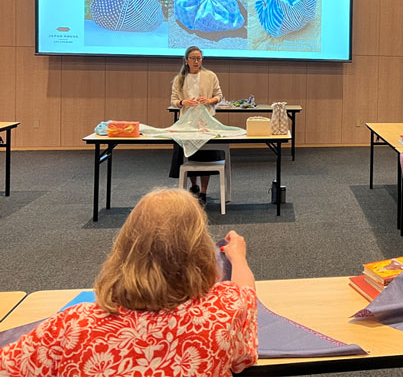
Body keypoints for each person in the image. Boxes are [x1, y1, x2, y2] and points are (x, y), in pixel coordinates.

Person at [0, 188, 258, 375]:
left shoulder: (72, 325)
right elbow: (245, 295)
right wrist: (238, 258)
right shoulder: (222, 313)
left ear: (123, 249)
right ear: (201, 253)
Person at [169, 45, 224, 203]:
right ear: (186, 60)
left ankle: (204, 192)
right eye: (193, 58)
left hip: (205, 122)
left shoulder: (210, 75)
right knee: (189, 155)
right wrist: (183, 102)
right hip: (187, 122)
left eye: (199, 58)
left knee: (206, 157)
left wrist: (209, 100)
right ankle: (194, 187)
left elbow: (219, 95)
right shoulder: (179, 79)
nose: (196, 61)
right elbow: (173, 101)